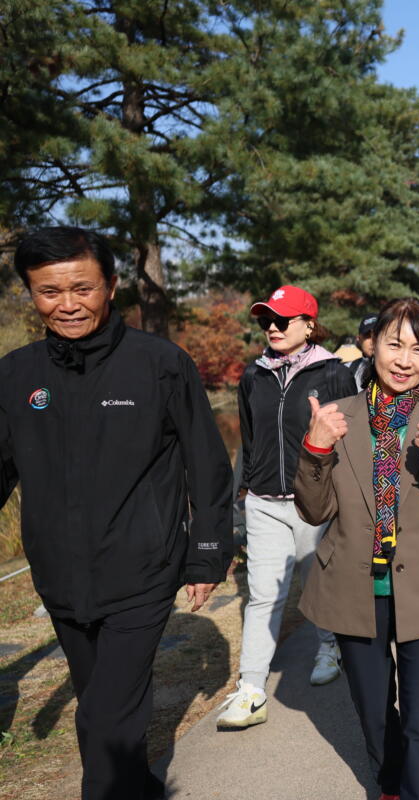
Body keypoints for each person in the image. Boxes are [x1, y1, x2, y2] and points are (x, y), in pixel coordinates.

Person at [0, 227, 234, 799]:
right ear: (31, 293)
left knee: (105, 720)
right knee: (102, 706)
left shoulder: (160, 364)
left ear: (109, 287)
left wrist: (207, 554)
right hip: (58, 577)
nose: (67, 304)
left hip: (142, 571)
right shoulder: (15, 374)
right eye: (49, 291)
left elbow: (207, 466)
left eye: (82, 288)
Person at [294, 297, 419, 800]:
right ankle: (391, 785)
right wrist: (315, 448)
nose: (404, 360)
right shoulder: (337, 417)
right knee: (375, 715)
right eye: (395, 344)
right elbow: (314, 511)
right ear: (371, 345)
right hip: (355, 588)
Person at [217, 285, 357, 729]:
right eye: (266, 321)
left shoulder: (333, 373)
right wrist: (244, 490)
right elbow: (250, 438)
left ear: (309, 325)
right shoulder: (253, 376)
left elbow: (351, 440)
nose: (272, 328)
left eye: (282, 320)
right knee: (263, 596)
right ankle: (251, 689)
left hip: (313, 500)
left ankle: (328, 647)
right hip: (263, 501)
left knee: (317, 584)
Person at [348, 313, 379, 391]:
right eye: (367, 336)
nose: (373, 341)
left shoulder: (398, 368)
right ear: (358, 339)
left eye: (377, 334)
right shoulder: (347, 370)